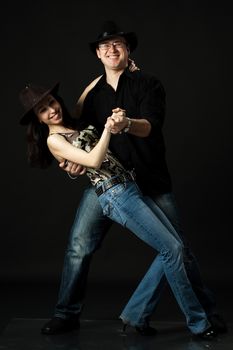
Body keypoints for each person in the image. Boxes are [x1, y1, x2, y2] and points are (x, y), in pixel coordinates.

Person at [32, 21, 227, 336]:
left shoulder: (148, 83)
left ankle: (197, 313)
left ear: (128, 49)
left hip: (150, 178)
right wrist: (70, 165)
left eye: (118, 44)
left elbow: (150, 126)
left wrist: (126, 124)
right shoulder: (94, 94)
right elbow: (78, 132)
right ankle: (66, 314)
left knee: (178, 249)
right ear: (98, 53)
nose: (112, 49)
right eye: (105, 46)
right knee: (78, 246)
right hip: (109, 186)